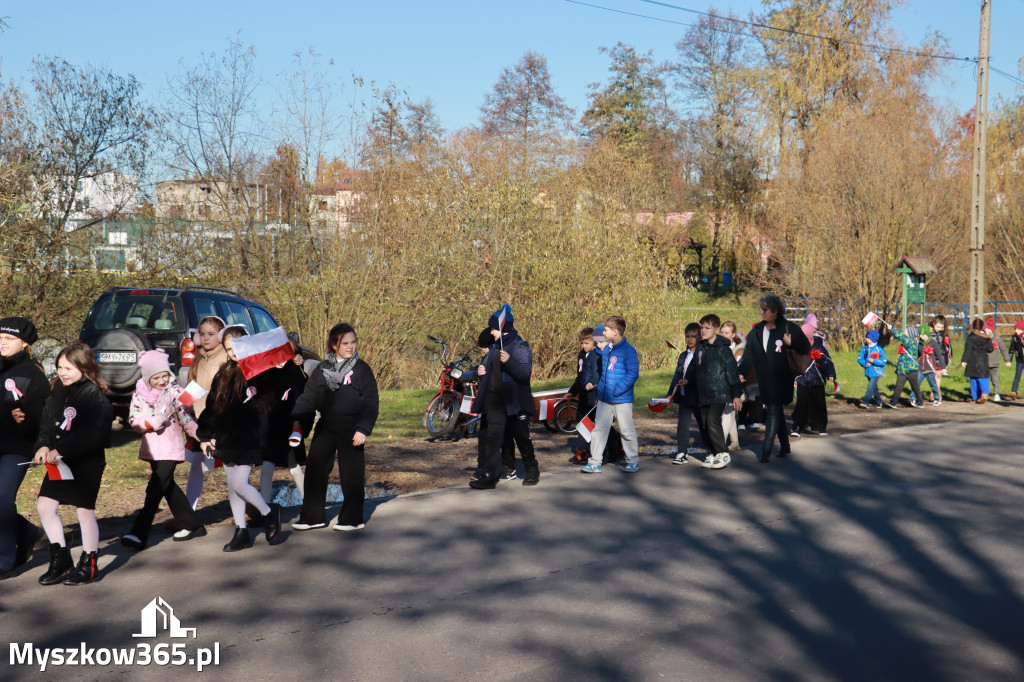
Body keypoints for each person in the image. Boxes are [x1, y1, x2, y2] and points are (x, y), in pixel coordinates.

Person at [34, 344, 113, 585]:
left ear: (85, 367)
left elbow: (95, 436)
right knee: (45, 506)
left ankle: (89, 564)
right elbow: (47, 422)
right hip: (59, 461)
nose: (63, 372)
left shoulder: (95, 396)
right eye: (59, 367)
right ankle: (60, 558)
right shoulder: (58, 388)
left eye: (69, 367)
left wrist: (63, 449)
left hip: (86, 463)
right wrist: (44, 445)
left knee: (84, 511)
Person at [197, 326, 282, 551]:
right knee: (232, 486)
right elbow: (212, 406)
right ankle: (242, 531)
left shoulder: (260, 371)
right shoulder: (223, 373)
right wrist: (204, 435)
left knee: (239, 483)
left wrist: (288, 365)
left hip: (249, 437)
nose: (233, 352)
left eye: (236, 347)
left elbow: (276, 391)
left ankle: (268, 513)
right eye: (228, 349)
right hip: (226, 436)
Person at [291, 323, 380, 528]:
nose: (351, 346)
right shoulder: (323, 368)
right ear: (334, 345)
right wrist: (296, 417)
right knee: (315, 470)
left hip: (353, 427)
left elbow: (371, 402)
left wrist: (363, 429)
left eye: (353, 342)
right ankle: (313, 518)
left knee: (351, 475)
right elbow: (309, 396)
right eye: (345, 343)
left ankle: (352, 519)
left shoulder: (362, 369)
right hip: (327, 425)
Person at [121, 350, 206, 550]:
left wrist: (203, 437)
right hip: (152, 449)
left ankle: (139, 533)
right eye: (156, 377)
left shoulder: (175, 392)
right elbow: (134, 420)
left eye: (165, 375)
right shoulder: (139, 395)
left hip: (171, 447)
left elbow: (186, 419)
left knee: (155, 488)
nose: (161, 381)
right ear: (147, 377)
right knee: (167, 486)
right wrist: (150, 422)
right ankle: (192, 523)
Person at [468, 305, 539, 489]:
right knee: (492, 439)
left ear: (503, 328)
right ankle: (489, 477)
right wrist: (480, 371)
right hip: (496, 401)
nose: (491, 332)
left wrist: (510, 361)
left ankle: (532, 469)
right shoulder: (493, 347)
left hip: (515, 401)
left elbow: (524, 374)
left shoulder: (520, 346)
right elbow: (485, 369)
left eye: (493, 328)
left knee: (522, 437)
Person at [0, 317, 47, 580]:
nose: (2, 343)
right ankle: (27, 532)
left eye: (8, 339)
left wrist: (26, 416)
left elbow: (43, 411)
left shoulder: (33, 373)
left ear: (25, 343)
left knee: (2, 499)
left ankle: (5, 562)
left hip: (17, 446)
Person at [739, 294, 811, 463]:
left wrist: (791, 343)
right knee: (775, 410)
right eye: (761, 309)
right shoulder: (756, 330)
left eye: (765, 309)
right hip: (764, 379)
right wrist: (742, 371)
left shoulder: (788, 327)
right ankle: (785, 446)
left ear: (775, 311)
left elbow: (806, 347)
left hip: (782, 379)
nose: (762, 312)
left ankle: (766, 450)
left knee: (772, 410)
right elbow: (748, 353)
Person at [581, 315, 640, 474]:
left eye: (606, 330)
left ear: (615, 332)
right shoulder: (607, 349)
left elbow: (633, 374)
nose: (604, 332)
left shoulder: (629, 350)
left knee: (627, 431)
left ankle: (632, 461)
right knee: (599, 430)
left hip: (622, 399)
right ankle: (595, 462)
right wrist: (600, 393)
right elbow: (604, 374)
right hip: (604, 399)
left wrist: (617, 390)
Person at [184, 316, 228, 510]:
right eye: (202, 334)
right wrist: (184, 409)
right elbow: (192, 388)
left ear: (221, 335)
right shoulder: (198, 358)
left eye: (211, 334)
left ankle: (250, 509)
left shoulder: (227, 358)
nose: (206, 338)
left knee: (232, 468)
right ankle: (188, 513)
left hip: (222, 423)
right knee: (196, 464)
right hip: (200, 424)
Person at [693, 315, 744, 470]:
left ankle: (723, 452)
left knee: (712, 421)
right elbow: (696, 369)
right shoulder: (701, 347)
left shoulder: (724, 349)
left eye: (707, 328)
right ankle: (713, 453)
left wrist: (736, 395)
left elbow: (732, 373)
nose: (703, 331)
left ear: (716, 330)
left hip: (720, 393)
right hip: (703, 393)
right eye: (702, 327)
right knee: (703, 424)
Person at [258, 355, 307, 504]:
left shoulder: (297, 373)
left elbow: (303, 398)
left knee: (294, 468)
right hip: (271, 429)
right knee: (267, 468)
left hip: (289, 428)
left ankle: (309, 502)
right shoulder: (266, 373)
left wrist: (298, 422)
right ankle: (265, 508)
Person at [791, 314, 836, 437]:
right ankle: (797, 427)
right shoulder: (796, 347)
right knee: (801, 405)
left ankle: (820, 427)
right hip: (802, 380)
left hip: (817, 380)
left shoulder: (818, 347)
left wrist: (830, 374)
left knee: (819, 404)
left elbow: (827, 361)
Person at [669, 323, 702, 465]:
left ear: (699, 337)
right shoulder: (683, 355)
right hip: (684, 395)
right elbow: (677, 375)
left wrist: (690, 380)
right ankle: (682, 452)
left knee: (705, 425)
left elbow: (701, 374)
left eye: (693, 337)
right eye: (687, 336)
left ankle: (715, 451)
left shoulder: (702, 353)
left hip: (699, 396)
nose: (690, 339)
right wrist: (670, 394)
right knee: (682, 425)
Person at [566, 327, 598, 465]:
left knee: (600, 423)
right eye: (582, 343)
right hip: (584, 395)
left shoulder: (599, 355)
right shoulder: (581, 355)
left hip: (596, 395)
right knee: (581, 422)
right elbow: (580, 377)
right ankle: (582, 451)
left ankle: (616, 444)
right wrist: (572, 391)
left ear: (595, 342)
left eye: (587, 343)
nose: (583, 346)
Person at [883, 323, 925, 409]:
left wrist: (892, 329)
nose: (904, 334)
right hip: (902, 369)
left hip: (911, 370)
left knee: (915, 387)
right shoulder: (906, 343)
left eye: (905, 333)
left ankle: (920, 401)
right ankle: (893, 402)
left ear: (910, 335)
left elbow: (901, 337)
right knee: (898, 386)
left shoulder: (912, 343)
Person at [719, 321, 743, 450]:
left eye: (726, 333)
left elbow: (741, 367)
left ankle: (720, 442)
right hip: (723, 384)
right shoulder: (719, 347)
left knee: (728, 411)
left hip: (736, 385)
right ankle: (735, 442)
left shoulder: (739, 350)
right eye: (721, 332)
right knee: (730, 412)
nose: (723, 335)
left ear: (733, 334)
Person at [961, 318, 992, 403]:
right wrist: (989, 337)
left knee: (973, 379)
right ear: (983, 327)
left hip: (972, 360)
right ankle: (985, 393)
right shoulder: (986, 337)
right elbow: (990, 349)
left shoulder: (970, 337)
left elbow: (967, 350)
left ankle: (975, 397)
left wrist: (964, 361)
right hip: (983, 360)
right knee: (983, 377)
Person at [857, 330, 887, 409]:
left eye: (868, 338)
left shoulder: (879, 349)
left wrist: (874, 361)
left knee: (870, 387)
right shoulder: (864, 349)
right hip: (868, 371)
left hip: (877, 372)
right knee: (874, 388)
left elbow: (884, 361)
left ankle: (865, 402)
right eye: (866, 337)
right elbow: (860, 359)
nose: (866, 339)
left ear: (873, 339)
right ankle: (879, 402)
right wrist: (865, 364)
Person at [983, 318, 1011, 401]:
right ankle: (984, 394)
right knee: (984, 380)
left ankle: (996, 394)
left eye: (988, 329)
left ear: (992, 330)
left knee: (995, 380)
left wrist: (1007, 360)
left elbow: (1004, 350)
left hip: (994, 363)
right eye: (985, 329)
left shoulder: (997, 339)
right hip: (984, 363)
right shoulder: (982, 339)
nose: (986, 331)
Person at [918, 325, 943, 406]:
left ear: (927, 334)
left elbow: (939, 355)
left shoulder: (933, 342)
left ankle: (937, 398)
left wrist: (943, 367)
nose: (921, 336)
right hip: (921, 368)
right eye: (920, 334)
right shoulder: (920, 343)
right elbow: (918, 354)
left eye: (923, 334)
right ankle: (913, 398)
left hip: (930, 368)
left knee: (933, 384)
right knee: (916, 383)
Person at [1008, 320, 1024, 400]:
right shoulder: (1014, 338)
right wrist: (1009, 360)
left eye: (1018, 329)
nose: (1016, 331)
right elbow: (1011, 350)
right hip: (1020, 360)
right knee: (1017, 376)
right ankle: (1014, 391)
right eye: (1015, 329)